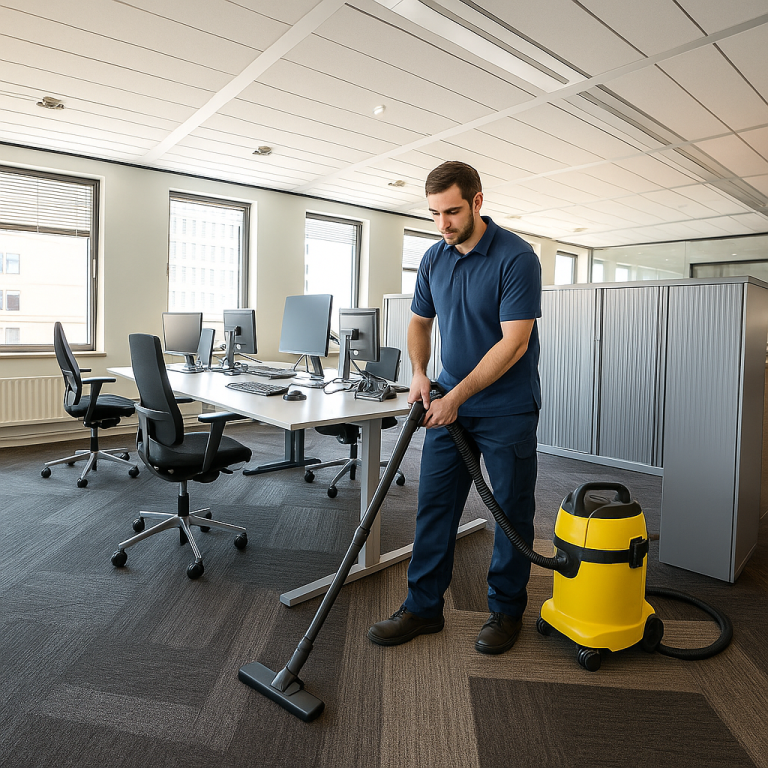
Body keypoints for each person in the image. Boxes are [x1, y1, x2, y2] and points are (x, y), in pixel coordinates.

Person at [368, 161, 541, 654]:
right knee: (435, 506)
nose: (442, 224)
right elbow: (419, 323)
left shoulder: (517, 258)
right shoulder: (433, 258)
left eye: (452, 212)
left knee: (510, 512)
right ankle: (423, 608)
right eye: (434, 213)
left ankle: (506, 611)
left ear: (477, 202)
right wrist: (420, 372)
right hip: (448, 400)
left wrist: (457, 397)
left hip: (506, 407)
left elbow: (514, 342)